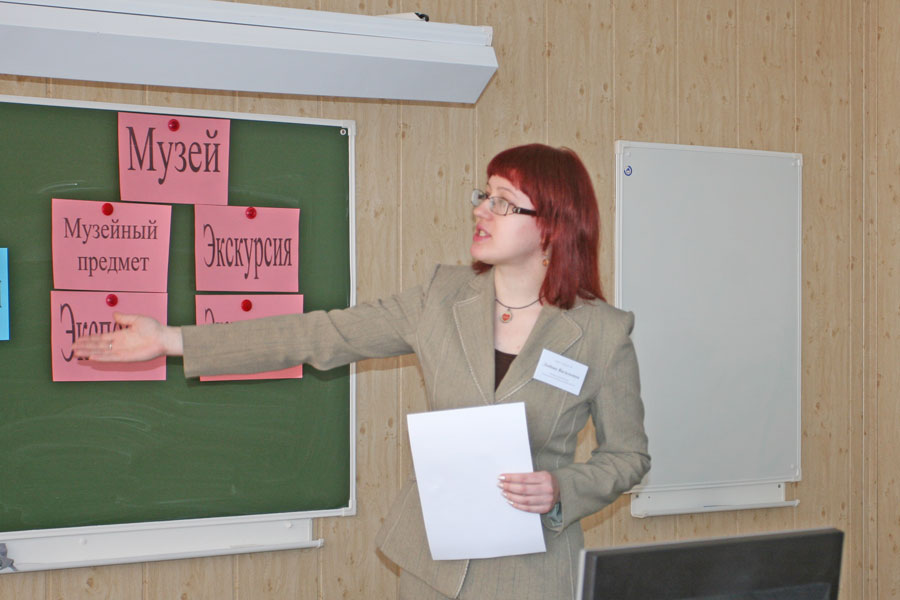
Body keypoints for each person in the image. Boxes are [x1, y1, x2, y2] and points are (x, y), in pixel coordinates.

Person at [73, 143, 650, 600]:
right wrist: (173, 340)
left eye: (503, 201)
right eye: (484, 194)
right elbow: (319, 335)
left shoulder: (602, 333)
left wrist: (561, 488)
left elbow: (628, 457)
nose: (480, 209)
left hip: (535, 575)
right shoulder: (440, 297)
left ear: (551, 226)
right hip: (432, 568)